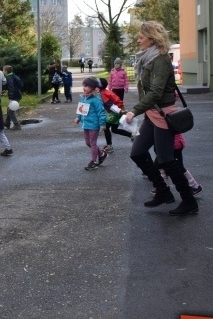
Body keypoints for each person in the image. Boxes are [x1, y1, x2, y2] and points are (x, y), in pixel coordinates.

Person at [123, 20, 199, 216]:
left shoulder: (161, 59)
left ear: (152, 38)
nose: (138, 40)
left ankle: (189, 202)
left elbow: (156, 92)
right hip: (151, 113)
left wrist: (134, 110)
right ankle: (164, 192)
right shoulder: (148, 58)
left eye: (141, 36)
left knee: (166, 159)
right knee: (137, 153)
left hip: (162, 114)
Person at [74, 77, 106, 170]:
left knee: (92, 143)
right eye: (84, 86)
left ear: (92, 87)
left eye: (87, 86)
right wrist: (78, 117)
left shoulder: (95, 100)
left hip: (94, 125)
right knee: (88, 143)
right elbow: (81, 109)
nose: (84, 88)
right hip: (86, 124)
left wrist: (102, 124)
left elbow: (101, 112)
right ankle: (102, 154)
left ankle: (93, 161)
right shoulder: (83, 98)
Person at [98, 78, 125, 154]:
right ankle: (132, 136)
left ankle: (109, 146)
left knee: (106, 127)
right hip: (118, 109)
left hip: (116, 111)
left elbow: (110, 105)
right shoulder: (104, 91)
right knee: (114, 129)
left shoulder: (103, 94)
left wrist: (120, 111)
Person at [2, 65, 23, 130]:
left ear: (6, 71)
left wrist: (10, 97)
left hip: (14, 96)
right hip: (18, 94)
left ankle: (16, 124)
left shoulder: (9, 78)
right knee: (9, 109)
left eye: (3, 70)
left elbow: (11, 88)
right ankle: (7, 123)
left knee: (10, 110)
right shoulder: (14, 76)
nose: (2, 71)